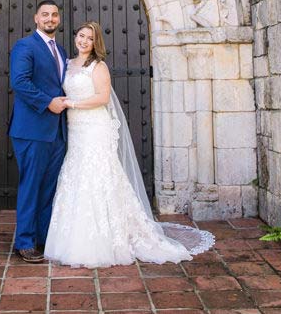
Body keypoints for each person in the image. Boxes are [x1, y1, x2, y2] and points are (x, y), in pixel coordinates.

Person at [43, 21, 214, 268]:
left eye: (89, 38)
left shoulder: (98, 66)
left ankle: (111, 238)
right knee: (76, 175)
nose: (83, 41)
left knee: (99, 175)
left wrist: (72, 104)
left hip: (95, 127)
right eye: (81, 35)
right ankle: (75, 236)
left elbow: (102, 98)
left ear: (95, 43)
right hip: (76, 129)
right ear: (75, 36)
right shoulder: (68, 64)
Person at [8, 0, 68, 263]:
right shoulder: (25, 46)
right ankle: (24, 242)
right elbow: (19, 82)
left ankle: (43, 238)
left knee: (48, 189)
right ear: (36, 18)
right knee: (31, 186)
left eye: (54, 15)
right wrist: (48, 103)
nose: (50, 19)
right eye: (45, 14)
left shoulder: (63, 51)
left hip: (57, 132)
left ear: (59, 19)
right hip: (32, 130)